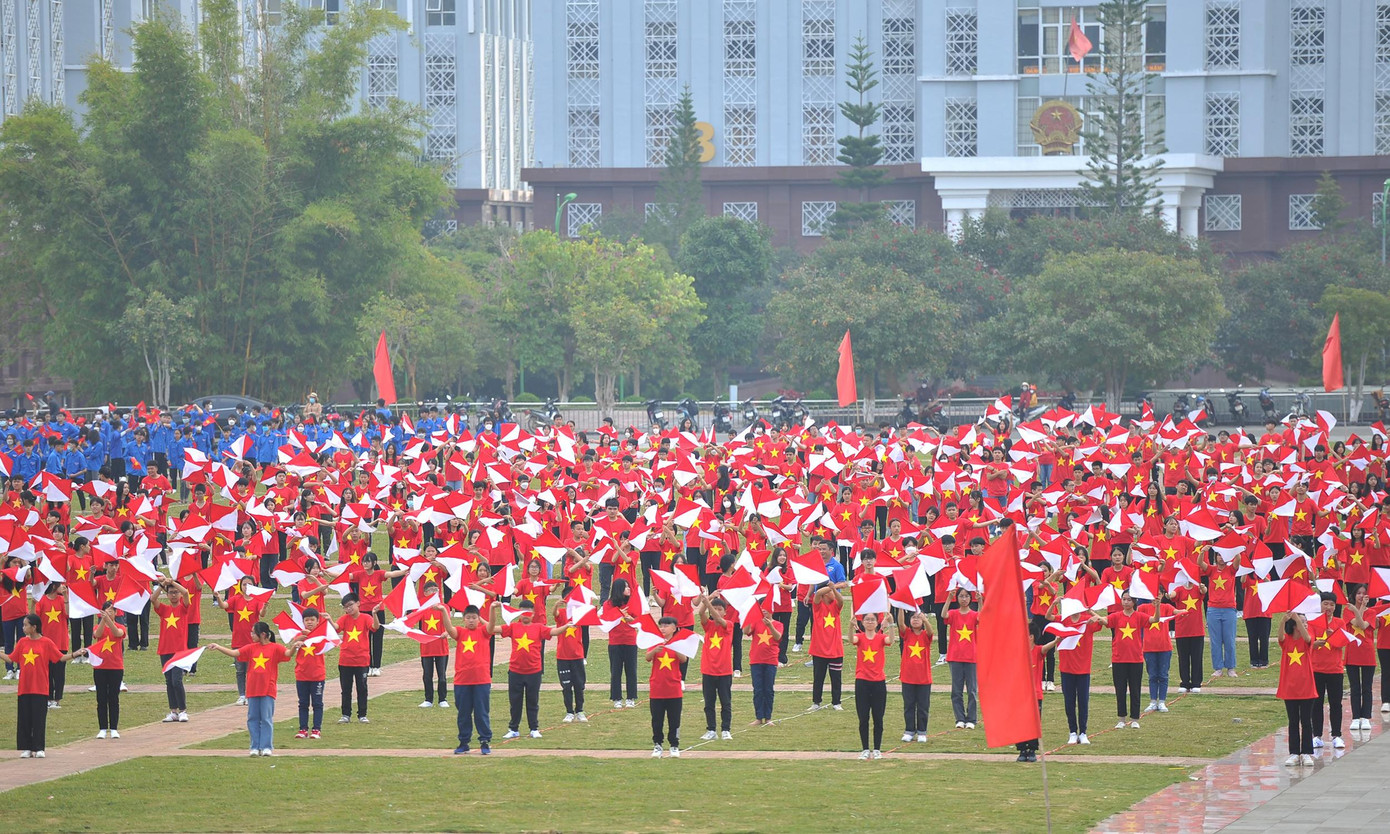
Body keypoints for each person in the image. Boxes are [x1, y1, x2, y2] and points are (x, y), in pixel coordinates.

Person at [206, 623, 302, 757]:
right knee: (253, 718)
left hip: (268, 689)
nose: (251, 635)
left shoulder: (275, 648)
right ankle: (255, 747)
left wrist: (294, 647)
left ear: (263, 634)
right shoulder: (251, 647)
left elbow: (287, 654)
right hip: (252, 689)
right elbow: (235, 653)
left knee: (266, 719)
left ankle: (267, 747)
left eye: (253, 632)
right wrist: (218, 647)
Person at [0, 613, 88, 757]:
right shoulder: (22, 642)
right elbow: (11, 658)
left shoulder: (46, 643)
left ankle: (39, 747)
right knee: (25, 718)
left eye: (26, 625)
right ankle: (27, 748)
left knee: (39, 719)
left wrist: (75, 654)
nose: (23, 628)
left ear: (34, 627)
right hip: (24, 688)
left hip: (40, 687)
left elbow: (60, 657)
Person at [440, 603, 500, 755]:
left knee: (481, 712)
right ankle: (464, 742)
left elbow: (492, 625)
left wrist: (492, 609)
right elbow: (449, 629)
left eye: (474, 617)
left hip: (481, 680)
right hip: (462, 680)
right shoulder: (460, 632)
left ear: (479, 619)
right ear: (464, 620)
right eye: (468, 618)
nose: (471, 620)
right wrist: (443, 611)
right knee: (463, 713)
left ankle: (485, 741)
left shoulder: (484, 632)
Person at [500, 599, 552, 740]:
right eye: (523, 612)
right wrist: (491, 611)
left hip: (534, 671)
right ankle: (513, 729)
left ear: (533, 613)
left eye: (528, 612)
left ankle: (534, 728)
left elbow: (553, 632)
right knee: (515, 702)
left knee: (532, 701)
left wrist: (566, 626)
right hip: (515, 671)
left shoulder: (539, 627)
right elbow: (492, 629)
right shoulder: (513, 627)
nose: (526, 615)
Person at [213, 577, 264, 705]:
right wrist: (218, 597)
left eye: (249, 584)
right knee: (240, 670)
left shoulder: (257, 600)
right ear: (240, 586)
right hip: (238, 641)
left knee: (253, 670)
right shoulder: (236, 599)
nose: (246, 587)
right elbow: (224, 606)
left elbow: (262, 614)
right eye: (244, 584)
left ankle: (251, 694)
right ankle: (242, 695)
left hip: (253, 642)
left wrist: (266, 605)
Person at [1276, 612, 1317, 767]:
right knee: (1293, 721)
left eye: (1305, 622)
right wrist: (1283, 620)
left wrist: (1297, 619)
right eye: (1302, 621)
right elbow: (1280, 636)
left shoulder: (1308, 639)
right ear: (1294, 625)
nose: (1305, 624)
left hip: (1306, 688)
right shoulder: (1286, 641)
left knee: (1306, 721)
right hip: (1290, 688)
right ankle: (1294, 753)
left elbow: (1307, 638)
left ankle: (1306, 753)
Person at [853, 611, 893, 760]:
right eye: (867, 620)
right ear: (863, 622)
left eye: (872, 620)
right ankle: (865, 749)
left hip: (878, 682)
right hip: (862, 682)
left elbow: (891, 640)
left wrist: (891, 624)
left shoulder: (881, 637)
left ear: (877, 623)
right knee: (863, 718)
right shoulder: (860, 637)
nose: (870, 622)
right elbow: (851, 639)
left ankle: (877, 749)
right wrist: (851, 626)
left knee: (878, 718)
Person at [1309, 592, 1347, 750]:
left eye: (1332, 604)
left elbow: (1343, 643)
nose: (1329, 607)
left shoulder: (1340, 622)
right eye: (1325, 604)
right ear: (1320, 605)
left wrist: (1333, 636)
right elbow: (1309, 642)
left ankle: (1336, 736)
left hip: (1335, 670)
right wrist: (1317, 642)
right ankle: (1317, 736)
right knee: (1316, 704)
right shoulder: (1312, 622)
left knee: (1335, 704)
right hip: (1316, 668)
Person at [335, 592, 378, 724]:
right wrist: (329, 620)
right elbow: (336, 628)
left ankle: (362, 715)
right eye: (345, 607)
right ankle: (345, 714)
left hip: (362, 660)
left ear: (358, 603)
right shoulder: (344, 619)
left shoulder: (366, 618)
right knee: (346, 689)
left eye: (350, 605)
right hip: (345, 660)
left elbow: (375, 627)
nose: (348, 609)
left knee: (362, 688)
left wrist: (374, 614)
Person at [152, 579, 191, 723]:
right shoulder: (163, 609)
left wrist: (173, 582)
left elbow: (186, 592)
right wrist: (162, 585)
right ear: (167, 595)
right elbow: (153, 599)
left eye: (176, 592)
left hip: (179, 651)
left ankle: (183, 710)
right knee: (169, 681)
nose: (174, 595)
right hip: (165, 649)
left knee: (177, 680)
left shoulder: (183, 608)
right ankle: (173, 711)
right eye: (171, 593)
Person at [647, 616, 685, 758]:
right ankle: (657, 744)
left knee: (674, 720)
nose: (663, 629)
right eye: (661, 626)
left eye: (666, 626)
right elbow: (647, 657)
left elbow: (683, 659)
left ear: (674, 628)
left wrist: (675, 647)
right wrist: (654, 651)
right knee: (657, 720)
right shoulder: (655, 642)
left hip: (674, 689)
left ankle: (674, 745)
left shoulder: (678, 642)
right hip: (657, 688)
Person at [1107, 591, 1146, 728]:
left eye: (1129, 599)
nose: (1126, 602)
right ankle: (1121, 719)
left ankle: (1135, 719)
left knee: (1135, 690)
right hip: (1119, 659)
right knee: (1120, 690)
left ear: (1134, 602)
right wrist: (1090, 612)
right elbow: (1104, 621)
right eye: (1124, 599)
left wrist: (1158, 607)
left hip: (1136, 659)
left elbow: (1154, 620)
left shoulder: (1139, 616)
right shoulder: (1116, 616)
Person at [697, 594, 734, 740]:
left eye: (720, 609)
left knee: (725, 702)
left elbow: (718, 619)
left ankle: (726, 729)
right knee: (709, 703)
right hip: (708, 670)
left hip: (724, 671)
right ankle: (711, 729)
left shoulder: (728, 625)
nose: (717, 611)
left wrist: (709, 604)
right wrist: (708, 599)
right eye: (715, 609)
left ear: (725, 612)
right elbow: (701, 613)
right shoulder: (708, 626)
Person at [89, 603, 126, 738]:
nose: (109, 613)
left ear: (116, 613)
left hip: (116, 667)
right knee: (101, 698)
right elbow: (97, 634)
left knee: (114, 698)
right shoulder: (98, 626)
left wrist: (108, 620)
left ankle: (114, 728)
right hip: (100, 667)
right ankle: (103, 728)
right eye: (106, 611)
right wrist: (103, 620)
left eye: (111, 611)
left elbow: (117, 633)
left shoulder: (121, 627)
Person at [897, 608, 934, 742]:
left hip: (923, 678)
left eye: (918, 617)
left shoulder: (925, 635)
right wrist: (901, 607)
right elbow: (901, 624)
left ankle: (922, 731)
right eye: (913, 617)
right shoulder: (907, 633)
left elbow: (930, 632)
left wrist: (926, 620)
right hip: (908, 677)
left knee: (923, 706)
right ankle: (909, 730)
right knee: (909, 705)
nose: (916, 620)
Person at [944, 587, 979, 729]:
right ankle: (959, 718)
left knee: (972, 690)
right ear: (957, 598)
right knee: (956, 691)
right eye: (961, 596)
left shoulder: (974, 614)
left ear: (970, 598)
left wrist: (980, 601)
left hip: (971, 657)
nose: (964, 599)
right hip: (955, 656)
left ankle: (971, 719)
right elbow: (943, 615)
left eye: (966, 596)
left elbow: (982, 617)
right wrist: (948, 598)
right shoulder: (953, 613)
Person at [1344, 587, 1377, 731]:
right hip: (1352, 652)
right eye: (1358, 593)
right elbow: (1356, 623)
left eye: (1364, 593)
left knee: (1367, 688)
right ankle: (1356, 717)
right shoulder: (1347, 611)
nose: (1361, 596)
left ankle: (1365, 718)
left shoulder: (1371, 612)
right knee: (1355, 687)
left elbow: (1362, 626)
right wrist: (1359, 609)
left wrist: (1361, 608)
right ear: (1354, 595)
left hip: (1367, 653)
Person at [808, 582, 845, 711]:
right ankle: (816, 702)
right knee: (818, 678)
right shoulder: (817, 606)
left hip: (835, 649)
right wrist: (834, 586)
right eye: (829, 592)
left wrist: (834, 588)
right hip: (819, 650)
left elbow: (841, 601)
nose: (832, 594)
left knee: (836, 678)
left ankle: (836, 702)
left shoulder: (835, 606)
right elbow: (818, 593)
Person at [292, 608, 327, 740]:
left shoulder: (321, 635)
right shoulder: (299, 634)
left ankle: (316, 729)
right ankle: (303, 729)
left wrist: (311, 636)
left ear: (318, 621)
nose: (309, 622)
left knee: (317, 703)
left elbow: (322, 646)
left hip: (317, 676)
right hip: (302, 675)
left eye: (312, 620)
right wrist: (298, 641)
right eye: (307, 620)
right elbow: (293, 646)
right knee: (303, 703)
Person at [1138, 594, 1176, 715]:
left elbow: (1176, 612)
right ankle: (1153, 701)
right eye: (1154, 595)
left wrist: (1185, 611)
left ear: (1162, 595)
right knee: (1152, 675)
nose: (1156, 598)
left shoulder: (1167, 607)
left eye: (1158, 594)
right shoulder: (1143, 608)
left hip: (1165, 647)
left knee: (1163, 675)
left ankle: (1162, 701)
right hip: (1149, 647)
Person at [746, 604, 783, 726]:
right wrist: (748, 618)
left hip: (770, 661)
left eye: (766, 609)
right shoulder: (756, 622)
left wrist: (770, 625)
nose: (764, 611)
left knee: (768, 690)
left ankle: (767, 717)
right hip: (756, 660)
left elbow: (778, 637)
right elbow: (746, 631)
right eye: (762, 609)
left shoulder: (778, 624)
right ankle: (759, 717)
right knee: (758, 690)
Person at [604, 579, 639, 709]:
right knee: (615, 671)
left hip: (630, 641)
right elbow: (606, 619)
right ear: (618, 589)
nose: (628, 589)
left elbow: (639, 620)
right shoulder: (608, 604)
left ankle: (631, 698)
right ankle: (616, 698)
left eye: (628, 586)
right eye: (625, 587)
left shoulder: (632, 602)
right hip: (615, 641)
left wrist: (632, 619)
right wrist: (619, 614)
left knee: (631, 670)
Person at [553, 604, 589, 723]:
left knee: (579, 685)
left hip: (577, 655)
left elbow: (592, 618)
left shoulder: (580, 614)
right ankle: (569, 712)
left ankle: (580, 711)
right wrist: (556, 605)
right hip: (563, 656)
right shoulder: (562, 612)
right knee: (566, 686)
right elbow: (555, 614)